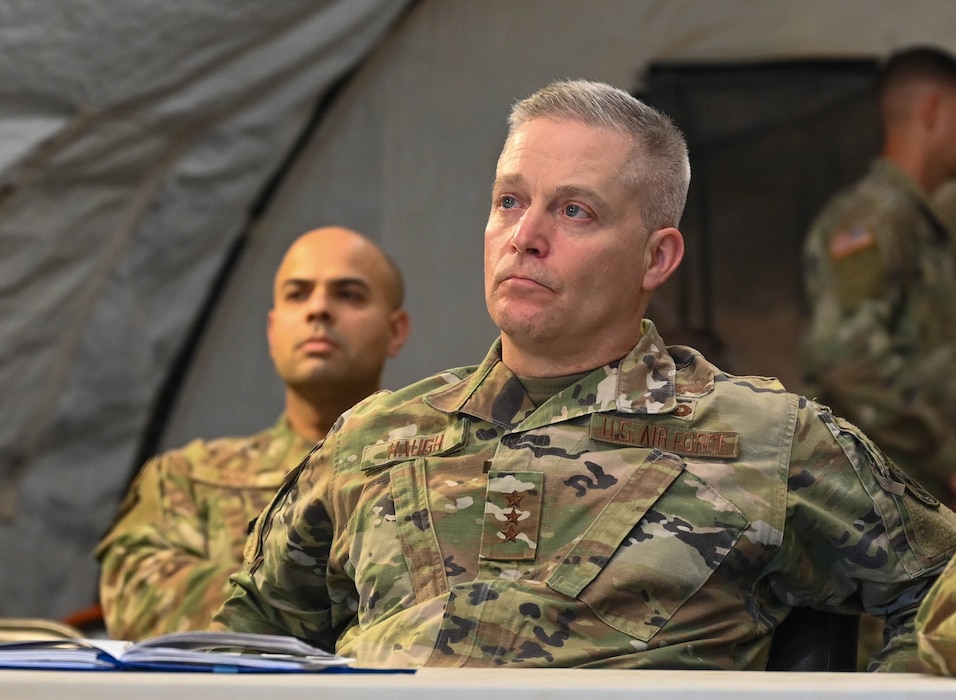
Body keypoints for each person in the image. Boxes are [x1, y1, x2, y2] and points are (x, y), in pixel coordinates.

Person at [211, 79, 956, 672]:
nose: (525, 238)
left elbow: (940, 582)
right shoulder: (374, 438)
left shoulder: (763, 440)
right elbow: (249, 637)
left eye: (574, 211)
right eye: (509, 201)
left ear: (657, 258)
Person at [95, 226, 410, 640]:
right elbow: (139, 601)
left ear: (396, 330)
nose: (318, 309)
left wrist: (262, 607)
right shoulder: (185, 480)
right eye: (298, 294)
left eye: (348, 294)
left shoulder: (441, 473)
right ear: (272, 330)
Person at [801, 46, 956, 509]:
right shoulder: (873, 219)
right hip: (879, 506)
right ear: (934, 109)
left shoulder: (922, 220)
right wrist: (946, 454)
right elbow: (849, 358)